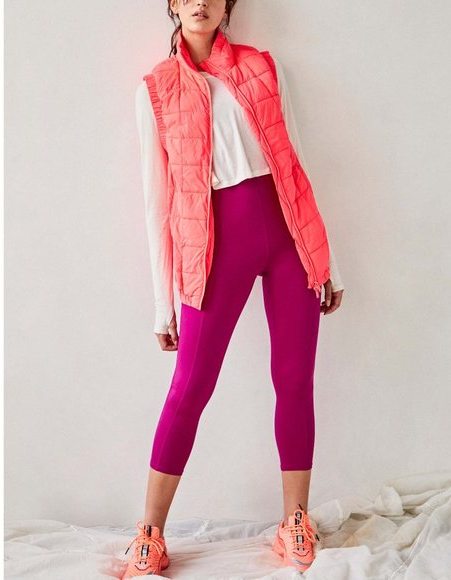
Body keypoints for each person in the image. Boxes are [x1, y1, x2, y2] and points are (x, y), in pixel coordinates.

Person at [122, 1, 345, 576]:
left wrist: (327, 261)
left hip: (289, 237)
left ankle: (294, 520)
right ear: (173, 5)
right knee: (190, 387)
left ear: (227, 4)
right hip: (215, 246)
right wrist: (162, 303)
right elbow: (156, 202)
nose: (200, 1)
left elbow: (294, 161)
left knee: (294, 378)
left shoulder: (263, 66)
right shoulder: (156, 89)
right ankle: (150, 533)